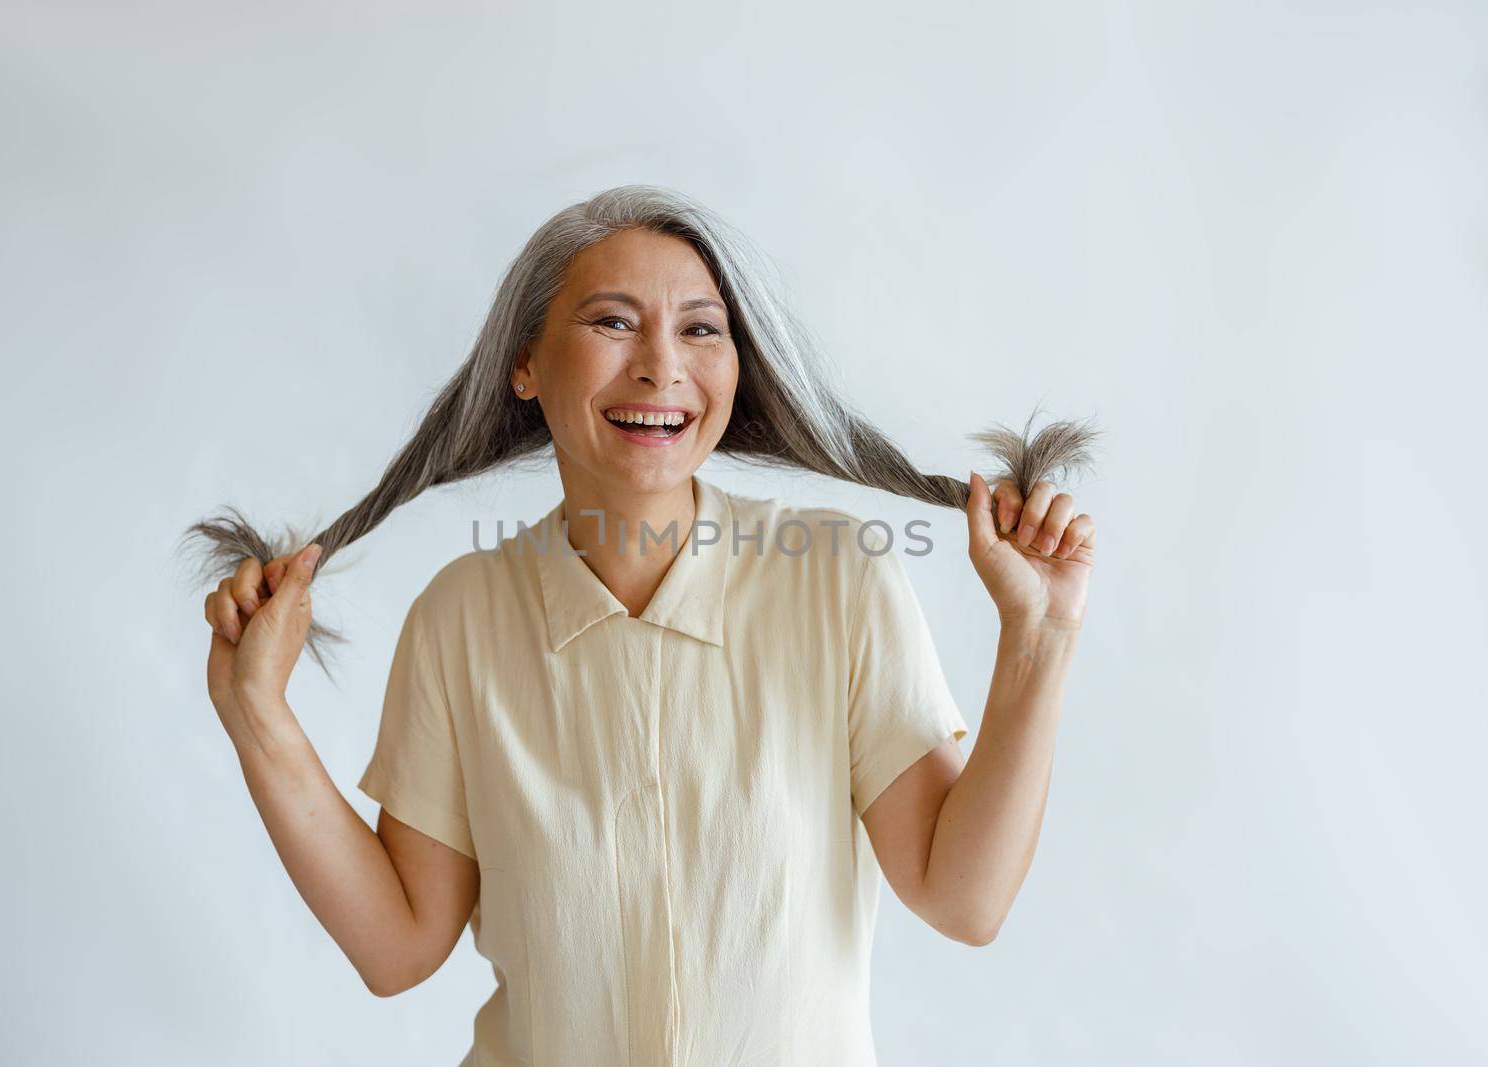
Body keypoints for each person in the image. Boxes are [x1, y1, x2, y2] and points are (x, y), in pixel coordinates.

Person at [189, 185, 1097, 1065]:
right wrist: (257, 715)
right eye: (613, 321)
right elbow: (398, 946)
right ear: (526, 363)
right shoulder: (460, 617)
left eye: (701, 327)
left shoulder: (840, 578)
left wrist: (1040, 637)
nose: (663, 364)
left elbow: (963, 899)